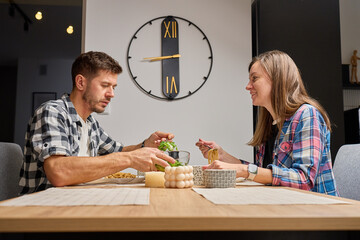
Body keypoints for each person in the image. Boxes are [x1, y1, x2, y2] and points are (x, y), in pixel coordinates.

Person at [19, 51, 175, 194]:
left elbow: (118, 152)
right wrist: (131, 159)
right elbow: (58, 172)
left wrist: (144, 146)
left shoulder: (90, 123)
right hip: (43, 211)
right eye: (105, 85)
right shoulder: (53, 112)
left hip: (77, 202)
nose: (112, 94)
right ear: (80, 82)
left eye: (113, 87)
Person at [196, 50, 338, 196]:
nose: (248, 86)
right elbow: (263, 171)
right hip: (284, 205)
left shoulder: (307, 114)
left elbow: (304, 179)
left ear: (277, 80)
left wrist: (243, 171)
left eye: (254, 78)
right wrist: (222, 155)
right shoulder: (271, 122)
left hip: (317, 211)